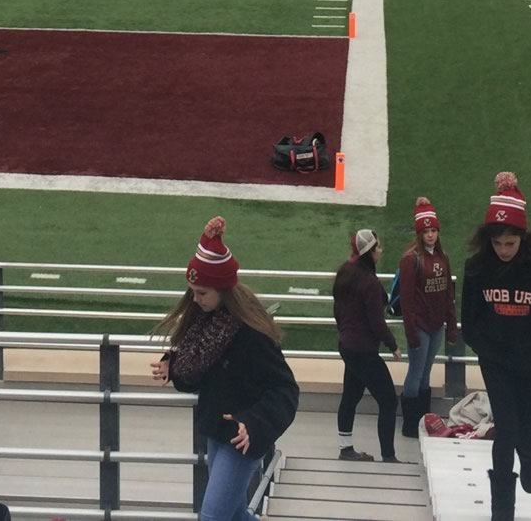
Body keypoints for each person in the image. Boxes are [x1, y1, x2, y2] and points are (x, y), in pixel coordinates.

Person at [150, 218, 299, 521]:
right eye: (193, 291)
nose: (195, 299)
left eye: (202, 292)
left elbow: (286, 389)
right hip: (217, 431)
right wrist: (172, 365)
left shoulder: (252, 333)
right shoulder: (207, 320)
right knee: (233, 515)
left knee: (213, 516)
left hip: (242, 438)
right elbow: (197, 370)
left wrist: (254, 424)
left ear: (223, 290)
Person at [460, 173, 531, 517]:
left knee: (529, 426)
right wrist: (490, 350)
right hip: (497, 360)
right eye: (497, 243)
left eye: (510, 244)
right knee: (506, 428)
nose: (503, 250)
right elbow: (469, 321)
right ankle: (502, 509)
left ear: (523, 239)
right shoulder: (476, 268)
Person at [332, 229, 401, 463]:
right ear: (370, 252)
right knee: (389, 400)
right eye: (378, 247)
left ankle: (346, 448)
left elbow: (338, 311)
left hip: (348, 346)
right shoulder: (370, 283)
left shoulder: (345, 272)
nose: (381, 250)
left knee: (350, 396)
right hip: (363, 350)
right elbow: (376, 322)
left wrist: (344, 333)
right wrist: (393, 345)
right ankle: (389, 456)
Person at [396, 197, 456, 438]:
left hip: (437, 324)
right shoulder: (411, 259)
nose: (430, 235)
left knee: (426, 372)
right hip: (420, 325)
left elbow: (448, 294)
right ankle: (410, 424)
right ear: (419, 233)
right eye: (426, 231)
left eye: (434, 230)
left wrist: (451, 326)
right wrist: (411, 333)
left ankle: (422, 420)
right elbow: (407, 300)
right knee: (416, 372)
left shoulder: (442, 257)